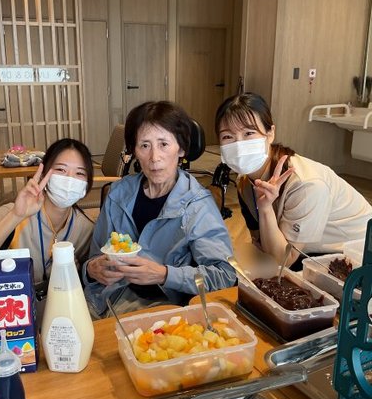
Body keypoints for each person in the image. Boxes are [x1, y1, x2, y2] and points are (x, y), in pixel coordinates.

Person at [83, 101, 237, 317]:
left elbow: (224, 275)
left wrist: (164, 275)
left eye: (164, 144)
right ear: (134, 151)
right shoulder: (118, 193)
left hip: (160, 308)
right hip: (102, 299)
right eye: (144, 146)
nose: (154, 157)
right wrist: (91, 269)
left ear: (181, 149)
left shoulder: (198, 205)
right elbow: (95, 256)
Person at [215, 92, 372, 269]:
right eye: (228, 136)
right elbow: (261, 244)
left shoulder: (307, 184)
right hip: (303, 251)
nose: (239, 145)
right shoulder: (244, 182)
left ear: (270, 133)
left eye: (249, 133)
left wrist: (265, 208)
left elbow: (284, 260)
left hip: (355, 257)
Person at [0, 138, 94, 286]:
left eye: (80, 173)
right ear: (43, 174)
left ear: (86, 185)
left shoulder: (86, 228)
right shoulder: (13, 213)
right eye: (61, 170)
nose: (70, 180)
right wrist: (16, 216)